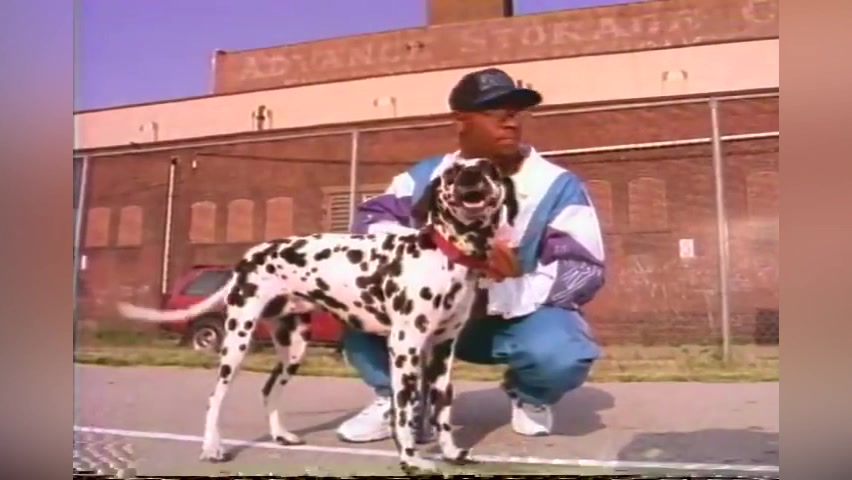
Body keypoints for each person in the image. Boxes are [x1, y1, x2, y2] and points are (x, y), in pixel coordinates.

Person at [340, 67, 606, 442]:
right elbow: (370, 224)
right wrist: (434, 254)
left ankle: (530, 395)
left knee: (563, 352)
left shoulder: (555, 184)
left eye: (515, 112)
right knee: (354, 304)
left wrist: (508, 285)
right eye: (494, 111)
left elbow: (581, 267)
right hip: (430, 314)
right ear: (461, 121)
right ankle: (400, 399)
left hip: (511, 321)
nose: (510, 121)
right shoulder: (426, 176)